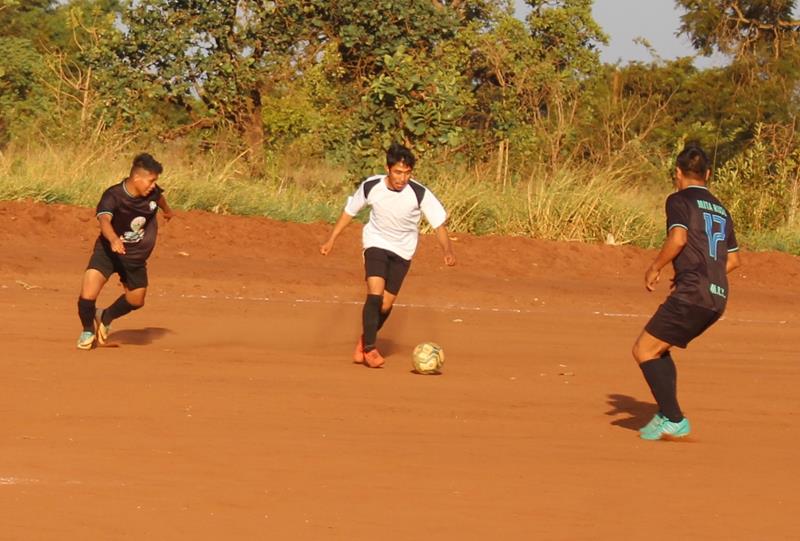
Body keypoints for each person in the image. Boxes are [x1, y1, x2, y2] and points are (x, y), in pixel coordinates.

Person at [632, 145, 741, 440]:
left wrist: (656, 267)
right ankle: (668, 414)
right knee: (659, 348)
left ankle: (674, 418)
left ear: (677, 174)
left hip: (693, 292)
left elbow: (678, 238)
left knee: (643, 350)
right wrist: (705, 276)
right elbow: (733, 260)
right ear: (707, 174)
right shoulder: (722, 209)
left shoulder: (678, 200)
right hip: (717, 297)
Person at [320, 143, 456, 368]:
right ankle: (371, 349)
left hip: (403, 251)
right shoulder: (371, 186)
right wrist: (331, 238)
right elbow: (349, 212)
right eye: (398, 172)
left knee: (385, 304)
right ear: (388, 169)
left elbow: (439, 225)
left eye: (407, 173)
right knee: (374, 292)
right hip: (376, 243)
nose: (402, 178)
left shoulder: (419, 192)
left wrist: (447, 250)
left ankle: (365, 339)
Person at [76, 153, 173, 349]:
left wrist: (167, 210)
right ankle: (87, 331)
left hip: (135, 257)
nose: (153, 185)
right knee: (88, 293)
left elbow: (159, 198)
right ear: (137, 178)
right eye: (151, 180)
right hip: (108, 252)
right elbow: (104, 219)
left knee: (136, 300)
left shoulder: (152, 193)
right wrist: (113, 240)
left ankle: (105, 316)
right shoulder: (113, 195)